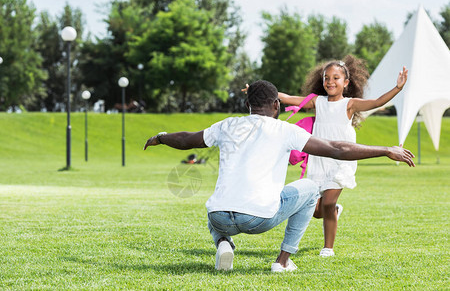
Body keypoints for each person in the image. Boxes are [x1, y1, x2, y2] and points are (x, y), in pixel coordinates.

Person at [144, 80, 415, 272]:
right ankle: (283, 261)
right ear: (276, 105)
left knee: (216, 204)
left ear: (248, 104)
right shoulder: (285, 130)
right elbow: (336, 148)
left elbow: (188, 139)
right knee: (310, 188)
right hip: (257, 218)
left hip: (220, 217)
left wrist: (161, 137)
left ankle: (223, 243)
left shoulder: (227, 125)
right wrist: (385, 149)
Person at [276, 55, 408, 257]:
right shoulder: (318, 102)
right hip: (319, 160)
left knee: (327, 203)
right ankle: (335, 210)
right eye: (326, 78)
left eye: (335, 78)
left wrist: (397, 88)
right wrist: (259, 91)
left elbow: (377, 102)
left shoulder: (350, 104)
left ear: (346, 83)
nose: (330, 81)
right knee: (316, 210)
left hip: (341, 159)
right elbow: (286, 98)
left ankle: (328, 247)